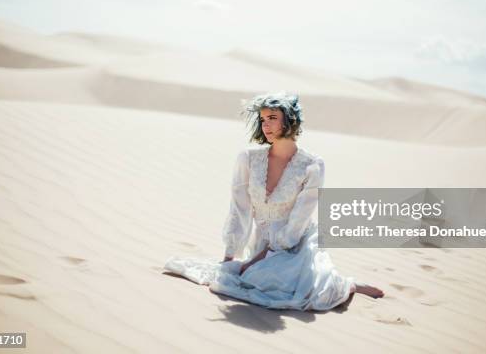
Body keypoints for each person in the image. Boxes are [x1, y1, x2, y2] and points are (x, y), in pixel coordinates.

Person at [163, 92, 384, 311]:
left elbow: (299, 220)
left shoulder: (312, 165)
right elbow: (239, 209)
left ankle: (347, 285)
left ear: (290, 120)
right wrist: (230, 256)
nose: (265, 125)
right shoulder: (248, 158)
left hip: (293, 243)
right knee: (242, 278)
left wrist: (259, 259)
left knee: (273, 283)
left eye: (272, 118)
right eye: (262, 120)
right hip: (260, 242)